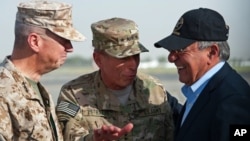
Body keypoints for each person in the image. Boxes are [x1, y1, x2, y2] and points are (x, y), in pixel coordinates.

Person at [56, 17, 174, 141]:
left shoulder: (155, 90)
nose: (133, 65)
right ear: (98, 59)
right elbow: (69, 136)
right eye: (123, 58)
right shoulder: (73, 93)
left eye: (136, 56)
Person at [154, 8, 250, 141]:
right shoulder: (202, 91)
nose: (171, 58)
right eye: (171, 50)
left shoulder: (233, 101)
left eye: (180, 50)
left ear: (211, 52)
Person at [0, 0, 85, 140]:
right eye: (63, 39)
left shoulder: (37, 90)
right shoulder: (4, 93)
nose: (70, 48)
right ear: (34, 42)